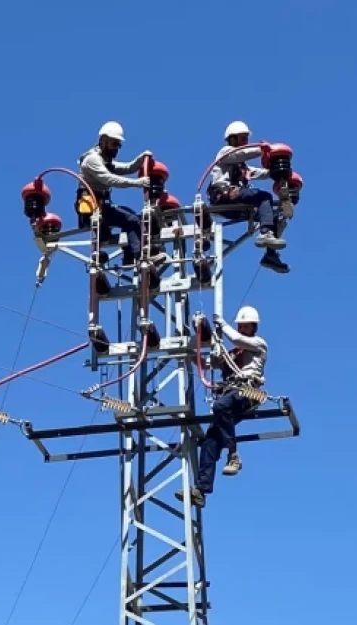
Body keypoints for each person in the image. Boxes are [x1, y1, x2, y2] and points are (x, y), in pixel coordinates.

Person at [176, 305, 268, 508]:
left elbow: (237, 339)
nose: (243, 329)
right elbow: (203, 363)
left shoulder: (259, 345)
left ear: (253, 328)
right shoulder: (232, 354)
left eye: (246, 326)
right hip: (231, 396)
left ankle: (233, 454)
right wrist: (194, 340)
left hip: (247, 392)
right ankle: (201, 490)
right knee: (211, 441)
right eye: (241, 326)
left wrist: (223, 325)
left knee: (219, 407)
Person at [77, 121, 167, 267]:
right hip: (92, 210)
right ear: (103, 141)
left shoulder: (105, 161)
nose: (116, 149)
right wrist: (137, 183)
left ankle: (129, 256)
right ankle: (141, 257)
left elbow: (126, 168)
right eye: (113, 144)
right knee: (130, 219)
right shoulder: (92, 160)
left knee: (132, 216)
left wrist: (140, 159)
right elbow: (110, 179)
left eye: (118, 145)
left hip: (101, 208)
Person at [207, 121, 289, 274]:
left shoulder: (242, 167)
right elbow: (240, 153)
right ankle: (265, 233)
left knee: (274, 215)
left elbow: (260, 173)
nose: (246, 143)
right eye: (243, 139)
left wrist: (279, 171)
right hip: (224, 196)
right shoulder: (225, 153)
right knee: (264, 197)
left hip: (237, 204)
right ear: (232, 140)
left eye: (246, 139)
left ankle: (270, 255)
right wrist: (261, 150)